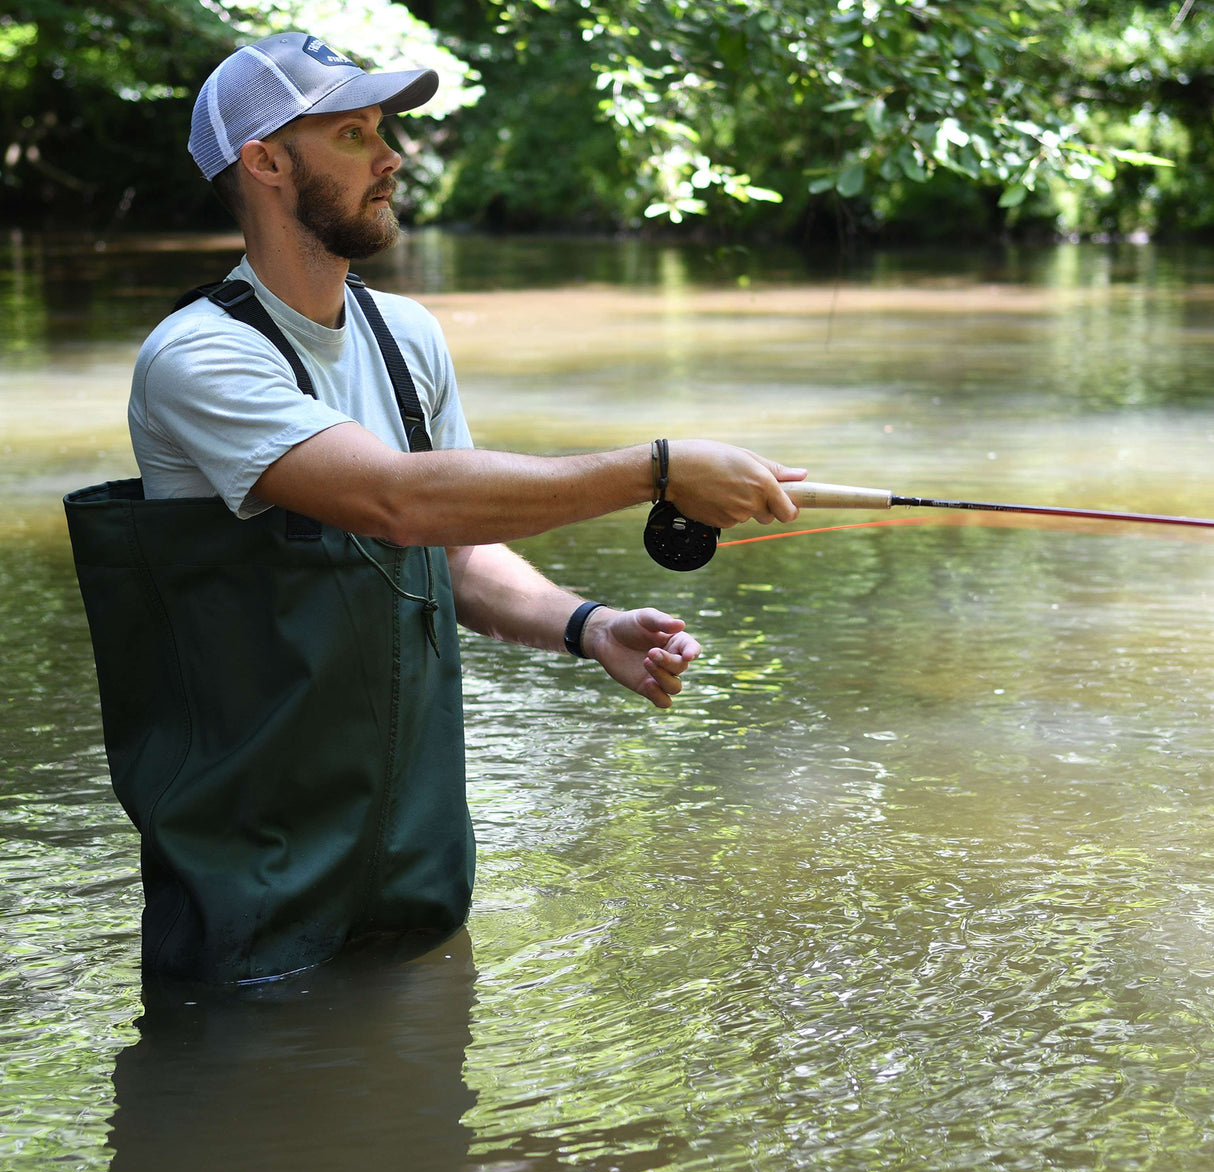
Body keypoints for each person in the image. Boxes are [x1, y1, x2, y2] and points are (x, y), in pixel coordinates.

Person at [65, 31, 805, 984]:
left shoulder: (407, 337)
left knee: (427, 1111)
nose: (392, 158)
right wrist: (657, 471)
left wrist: (591, 627)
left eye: (384, 130)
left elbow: (456, 554)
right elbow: (396, 502)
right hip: (250, 881)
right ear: (265, 162)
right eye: (353, 133)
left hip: (416, 864)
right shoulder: (197, 358)